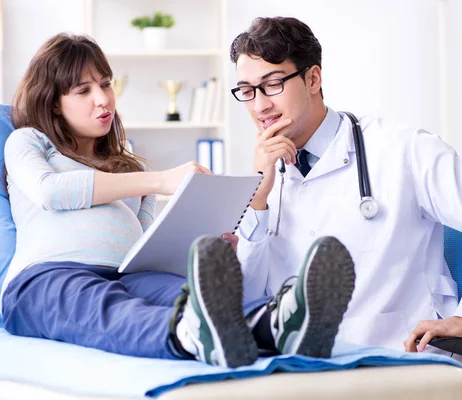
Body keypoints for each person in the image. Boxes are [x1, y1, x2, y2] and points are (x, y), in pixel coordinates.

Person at [0, 32, 356, 368]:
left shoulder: (127, 167)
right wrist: (160, 181)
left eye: (106, 84)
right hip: (48, 277)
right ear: (54, 103)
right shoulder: (28, 141)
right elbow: (51, 192)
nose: (103, 99)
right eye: (83, 90)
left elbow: (144, 253)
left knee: (186, 293)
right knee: (105, 309)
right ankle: (189, 333)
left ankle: (277, 321)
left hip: (125, 275)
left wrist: (201, 243)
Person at [229, 16, 462, 353]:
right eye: (247, 91)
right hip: (299, 365)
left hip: (395, 358)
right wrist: (258, 198)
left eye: (273, 84)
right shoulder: (266, 175)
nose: (259, 105)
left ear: (313, 78)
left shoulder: (401, 149)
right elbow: (248, 298)